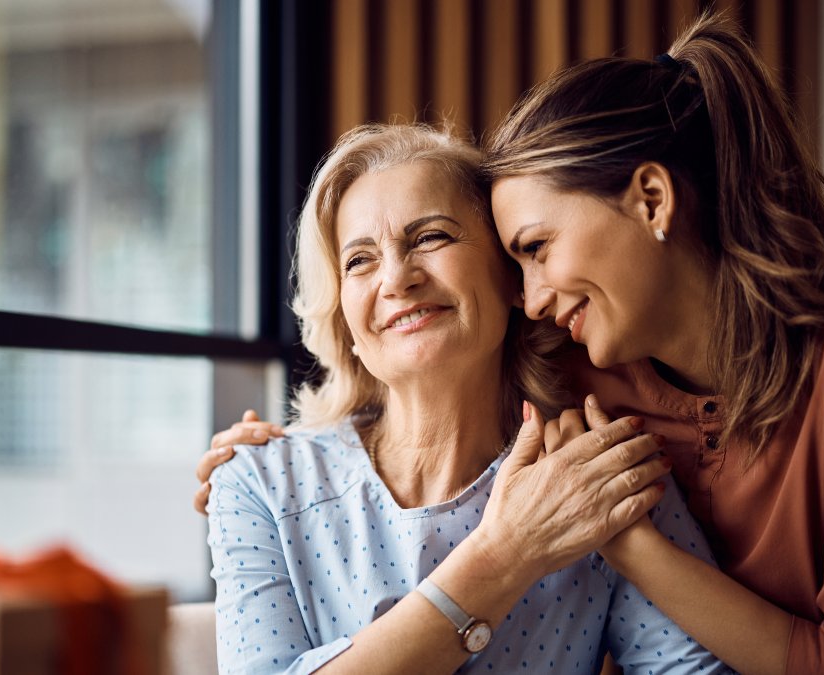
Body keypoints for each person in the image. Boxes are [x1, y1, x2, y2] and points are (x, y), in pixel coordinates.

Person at [202, 13, 824, 675]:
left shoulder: (593, 430)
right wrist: (260, 462)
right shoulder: (579, 367)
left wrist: (626, 543)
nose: (532, 297)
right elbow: (418, 370)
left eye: (533, 249)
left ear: (652, 199)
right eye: (359, 259)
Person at [206, 123, 729, 674]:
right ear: (345, 322)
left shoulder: (594, 470)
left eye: (430, 237)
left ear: (512, 280)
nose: (396, 279)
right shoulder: (258, 481)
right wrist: (506, 554)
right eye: (359, 260)